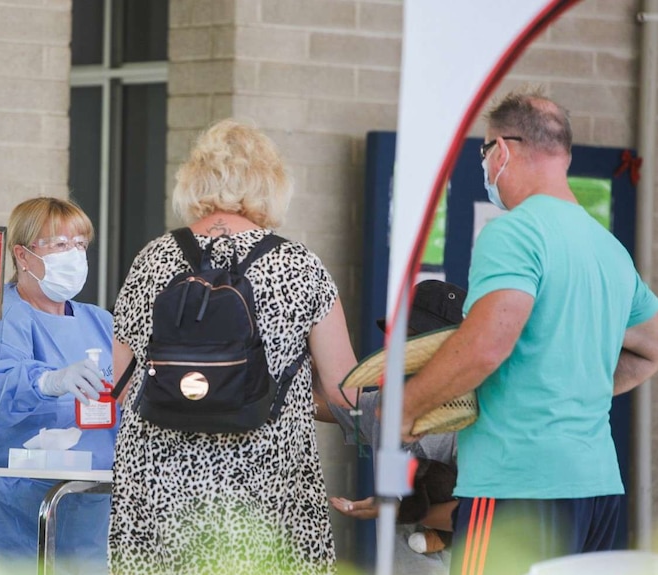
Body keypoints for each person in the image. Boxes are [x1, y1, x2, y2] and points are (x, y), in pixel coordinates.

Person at [400, 88, 658, 575]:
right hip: (596, 487)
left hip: (518, 485)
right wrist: (573, 388)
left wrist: (405, 410)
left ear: (502, 149)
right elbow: (651, 350)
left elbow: (486, 346)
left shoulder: (514, 232)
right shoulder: (607, 248)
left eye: (484, 151)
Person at [108, 119, 357, 574]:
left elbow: (124, 387)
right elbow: (347, 392)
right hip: (267, 491)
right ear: (272, 185)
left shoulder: (151, 259)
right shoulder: (300, 265)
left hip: (162, 491)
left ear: (194, 181)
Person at [0, 197, 117, 574]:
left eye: (80, 244)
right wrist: (51, 381)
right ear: (23, 255)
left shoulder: (99, 321)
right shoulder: (4, 316)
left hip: (87, 503)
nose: (75, 254)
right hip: (18, 504)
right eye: (61, 245)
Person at [318, 279, 465, 575]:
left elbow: (471, 517)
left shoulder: (475, 419)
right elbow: (327, 407)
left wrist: (395, 511)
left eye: (419, 341)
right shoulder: (385, 405)